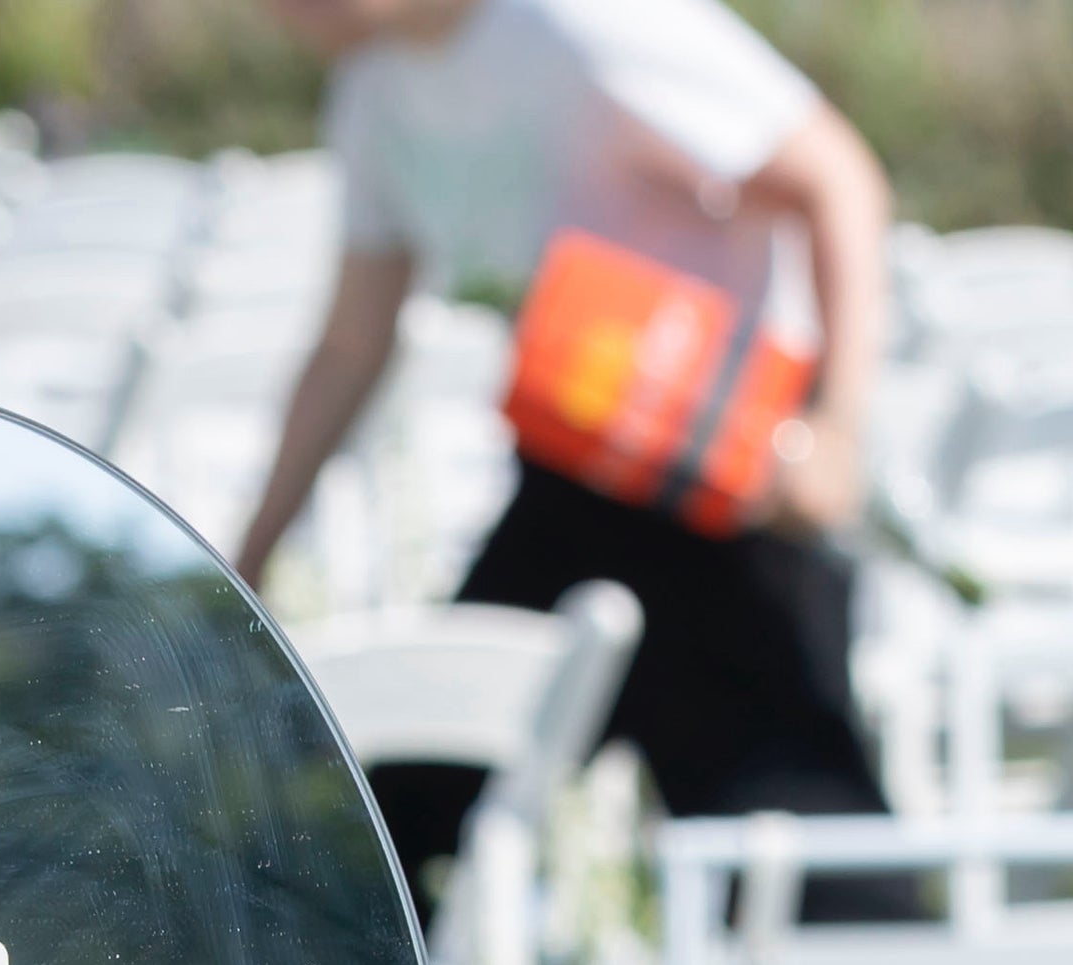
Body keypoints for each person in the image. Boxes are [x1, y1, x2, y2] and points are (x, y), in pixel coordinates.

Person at [236, 0, 897, 889]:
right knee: (402, 821)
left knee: (807, 875)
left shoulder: (585, 23)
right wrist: (249, 559)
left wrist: (836, 429)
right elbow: (352, 344)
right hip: (570, 480)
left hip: (721, 492)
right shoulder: (371, 93)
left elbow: (839, 177)